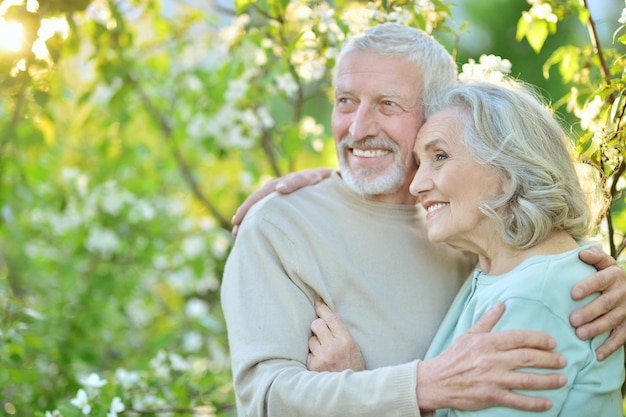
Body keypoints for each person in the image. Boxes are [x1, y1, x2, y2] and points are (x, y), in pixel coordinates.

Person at [221, 23, 626, 417]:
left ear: (434, 114)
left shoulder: (464, 228)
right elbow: (264, 402)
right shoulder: (279, 225)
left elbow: (543, 270)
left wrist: (610, 280)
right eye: (345, 101)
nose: (358, 128)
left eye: (388, 104)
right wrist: (416, 387)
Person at [307, 79, 625, 415]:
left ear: (507, 164)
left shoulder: (531, 297)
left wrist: (355, 393)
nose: (416, 185)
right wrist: (319, 187)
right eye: (419, 162)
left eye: (439, 156)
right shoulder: (502, 271)